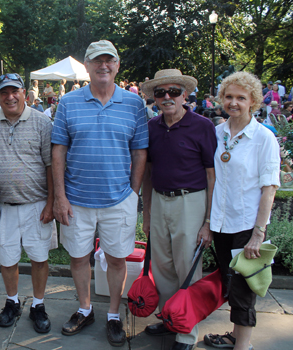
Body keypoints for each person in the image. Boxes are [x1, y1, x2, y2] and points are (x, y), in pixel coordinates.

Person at [52, 40, 148, 347]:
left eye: (109, 60)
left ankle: (114, 314)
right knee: (79, 258)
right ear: (88, 66)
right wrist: (59, 196)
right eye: (96, 61)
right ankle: (85, 309)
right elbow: (58, 151)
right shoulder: (69, 102)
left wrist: (133, 193)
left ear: (117, 65)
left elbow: (140, 152)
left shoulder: (133, 105)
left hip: (119, 200)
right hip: (76, 200)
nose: (103, 65)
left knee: (117, 259)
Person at [0, 73, 54, 335]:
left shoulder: (42, 122)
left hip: (37, 204)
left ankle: (38, 305)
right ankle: (12, 301)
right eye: (4, 92)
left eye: (14, 91)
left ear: (25, 93)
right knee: (7, 259)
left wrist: (52, 202)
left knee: (39, 258)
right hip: (1, 206)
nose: (10, 97)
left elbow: (51, 166)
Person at [203, 71, 280, 350]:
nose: (233, 103)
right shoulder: (217, 133)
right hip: (221, 223)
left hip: (246, 224)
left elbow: (269, 188)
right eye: (229, 96)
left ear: (253, 102)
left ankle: (242, 346)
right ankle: (236, 335)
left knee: (244, 288)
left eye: (241, 98)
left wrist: (258, 233)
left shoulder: (263, 138)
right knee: (230, 281)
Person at [141, 69, 217, 350]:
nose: (167, 97)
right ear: (155, 99)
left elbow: (212, 176)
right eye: (160, 92)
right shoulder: (152, 128)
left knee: (187, 267)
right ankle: (170, 318)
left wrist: (208, 221)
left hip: (191, 202)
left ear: (185, 95)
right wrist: (147, 214)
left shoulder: (202, 126)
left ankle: (187, 331)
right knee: (162, 267)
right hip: (160, 200)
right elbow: (147, 174)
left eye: (173, 91)